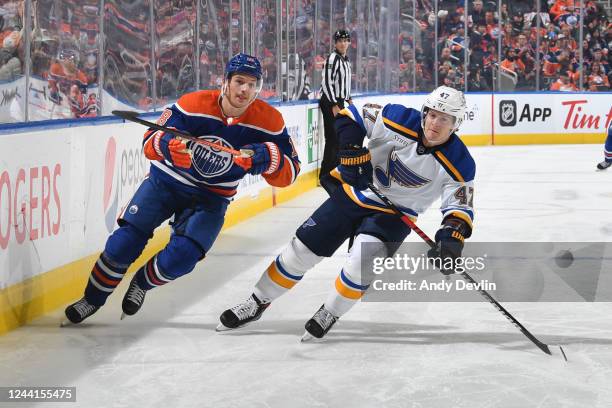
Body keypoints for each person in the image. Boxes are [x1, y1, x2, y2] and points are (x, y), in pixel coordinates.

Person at [217, 86, 475, 340]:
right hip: (353, 195)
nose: (435, 123)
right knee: (300, 252)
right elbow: (351, 114)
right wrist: (351, 148)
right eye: (432, 114)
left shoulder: (460, 162)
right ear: (424, 113)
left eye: (444, 118)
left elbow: (459, 207)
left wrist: (451, 239)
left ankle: (330, 312)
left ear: (456, 124)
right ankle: (257, 302)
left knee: (361, 265)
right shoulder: (398, 118)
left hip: (395, 215)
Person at [63, 53, 301, 324]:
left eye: (252, 84)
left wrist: (268, 157)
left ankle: (141, 283)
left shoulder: (269, 122)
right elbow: (150, 139)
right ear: (225, 82)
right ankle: (91, 300)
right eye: (239, 82)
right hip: (165, 183)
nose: (245, 90)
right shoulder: (192, 104)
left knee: (183, 258)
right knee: (123, 243)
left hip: (212, 197)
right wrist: (167, 147)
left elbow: (291, 172)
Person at [319, 29, 352, 193]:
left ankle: (334, 173)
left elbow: (344, 82)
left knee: (338, 137)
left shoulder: (345, 60)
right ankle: (325, 175)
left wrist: (348, 98)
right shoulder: (333, 58)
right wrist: (333, 103)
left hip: (339, 100)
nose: (343, 43)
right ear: (335, 43)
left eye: (346, 40)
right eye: (340, 40)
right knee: (332, 138)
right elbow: (326, 82)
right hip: (330, 100)